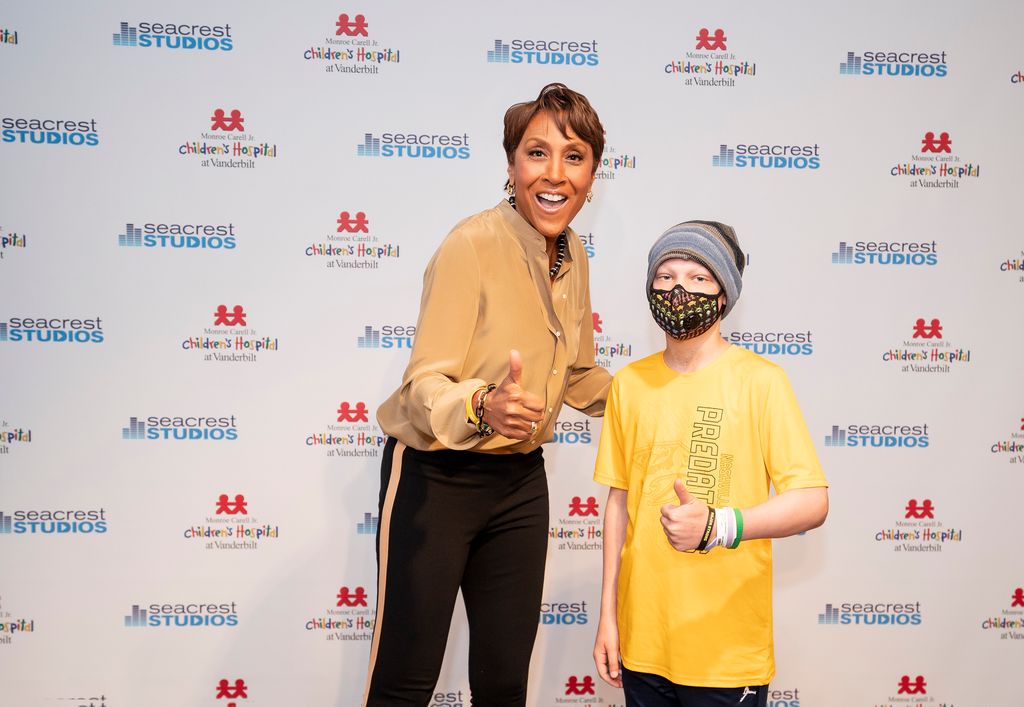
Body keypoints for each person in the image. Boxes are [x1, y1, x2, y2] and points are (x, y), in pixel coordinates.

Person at [364, 83, 612, 706]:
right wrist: (482, 405)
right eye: (537, 153)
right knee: (406, 681)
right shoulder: (470, 244)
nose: (555, 174)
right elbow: (423, 384)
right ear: (511, 165)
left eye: (575, 157)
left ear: (592, 176)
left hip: (520, 484)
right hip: (435, 480)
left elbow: (578, 374)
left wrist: (660, 393)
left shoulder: (575, 254)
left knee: (504, 683)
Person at [592, 221, 829, 706]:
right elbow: (619, 503)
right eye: (666, 276)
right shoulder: (629, 384)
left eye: (698, 277)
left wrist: (719, 526)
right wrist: (608, 616)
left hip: (726, 651)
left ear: (724, 295)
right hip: (643, 644)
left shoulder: (761, 381)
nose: (678, 290)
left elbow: (811, 501)